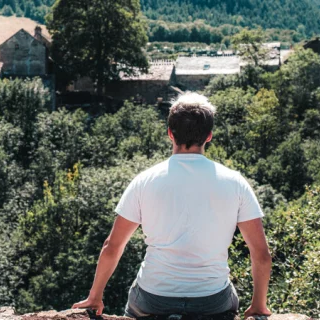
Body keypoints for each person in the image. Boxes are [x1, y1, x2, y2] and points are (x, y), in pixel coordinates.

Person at [72, 93, 272, 319]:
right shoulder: (235, 183)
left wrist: (95, 296)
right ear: (209, 136)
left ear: (170, 133)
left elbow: (113, 246)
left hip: (153, 298)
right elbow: (261, 254)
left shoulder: (144, 181)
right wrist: (258, 305)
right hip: (210, 300)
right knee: (228, 296)